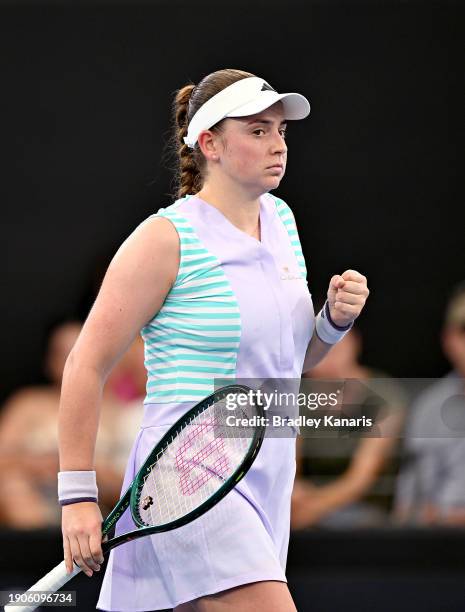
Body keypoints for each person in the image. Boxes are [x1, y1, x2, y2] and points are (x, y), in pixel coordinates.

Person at [58, 68, 369, 612]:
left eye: (281, 131)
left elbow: (289, 360)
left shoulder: (282, 221)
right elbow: (85, 364)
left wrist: (332, 322)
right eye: (258, 130)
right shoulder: (164, 238)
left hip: (267, 472)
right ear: (210, 144)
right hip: (188, 473)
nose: (278, 144)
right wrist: (77, 496)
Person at [291, 328, 406, 529]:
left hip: (364, 506)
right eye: (318, 350)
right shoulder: (298, 397)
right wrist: (294, 495)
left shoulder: (384, 396)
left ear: (354, 343)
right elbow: (291, 465)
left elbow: (361, 479)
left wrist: (314, 507)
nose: (328, 356)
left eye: (335, 346)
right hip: (304, 501)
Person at [394, 282, 465, 525]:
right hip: (437, 548)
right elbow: (407, 506)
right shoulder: (428, 407)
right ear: (448, 339)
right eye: (464, 330)